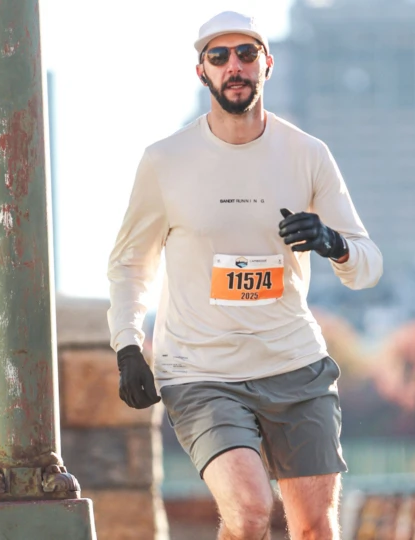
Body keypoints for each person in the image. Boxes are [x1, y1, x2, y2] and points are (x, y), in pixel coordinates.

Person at [106, 10, 383, 540]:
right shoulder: (166, 161)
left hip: (294, 363)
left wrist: (332, 242)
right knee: (251, 511)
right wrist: (126, 346)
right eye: (219, 56)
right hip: (201, 370)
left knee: (314, 528)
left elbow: (368, 267)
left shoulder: (308, 155)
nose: (234, 66)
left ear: (267, 65)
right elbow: (128, 264)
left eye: (246, 54)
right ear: (202, 72)